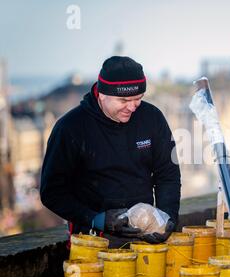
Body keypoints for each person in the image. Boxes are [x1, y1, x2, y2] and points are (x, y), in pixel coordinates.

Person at [40, 56, 181, 248]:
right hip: (92, 240)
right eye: (124, 100)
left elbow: (168, 174)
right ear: (102, 94)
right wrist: (97, 219)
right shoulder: (70, 128)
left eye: (138, 99)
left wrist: (167, 218)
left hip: (145, 237)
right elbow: (52, 192)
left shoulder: (152, 118)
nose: (132, 107)